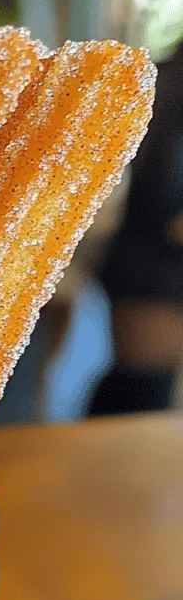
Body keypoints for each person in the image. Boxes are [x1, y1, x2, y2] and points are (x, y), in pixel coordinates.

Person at [90, 38, 183, 414]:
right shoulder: (167, 93)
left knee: (138, 390)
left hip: (139, 264)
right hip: (153, 276)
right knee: (140, 393)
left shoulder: (160, 79)